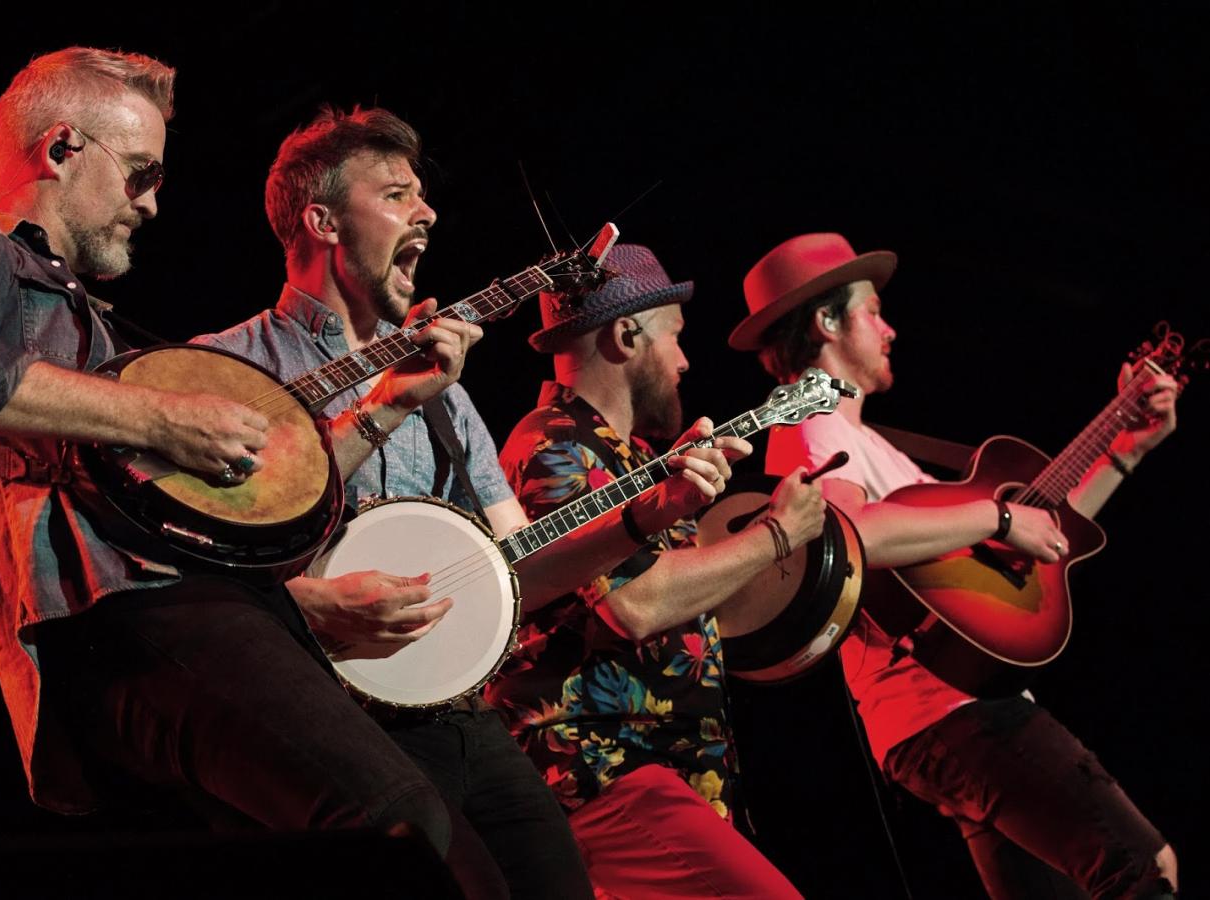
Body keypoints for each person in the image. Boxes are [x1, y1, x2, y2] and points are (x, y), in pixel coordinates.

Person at [0, 47, 530, 893]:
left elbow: (263, 488)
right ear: (63, 148)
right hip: (131, 616)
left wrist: (389, 406)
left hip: (203, 611)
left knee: (450, 860)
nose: (151, 203)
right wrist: (164, 415)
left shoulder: (95, 327)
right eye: (140, 173)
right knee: (398, 821)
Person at [196, 108, 741, 899]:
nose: (428, 213)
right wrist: (305, 602)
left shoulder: (446, 392)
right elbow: (194, 575)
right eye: (394, 195)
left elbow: (515, 568)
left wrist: (642, 517)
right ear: (321, 222)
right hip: (324, 725)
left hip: (456, 714)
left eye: (422, 195)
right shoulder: (226, 370)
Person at [735, 232, 1180, 899]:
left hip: (943, 720)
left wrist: (1125, 449)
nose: (889, 329)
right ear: (825, 323)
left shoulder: (867, 443)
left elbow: (1038, 541)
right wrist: (996, 517)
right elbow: (846, 532)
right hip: (952, 709)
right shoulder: (815, 422)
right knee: (1145, 869)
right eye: (872, 310)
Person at [482, 243, 826, 898]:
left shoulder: (636, 458)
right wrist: (777, 534)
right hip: (604, 770)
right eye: (675, 339)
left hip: (664, 772)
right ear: (626, 332)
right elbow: (633, 604)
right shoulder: (552, 440)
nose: (684, 361)